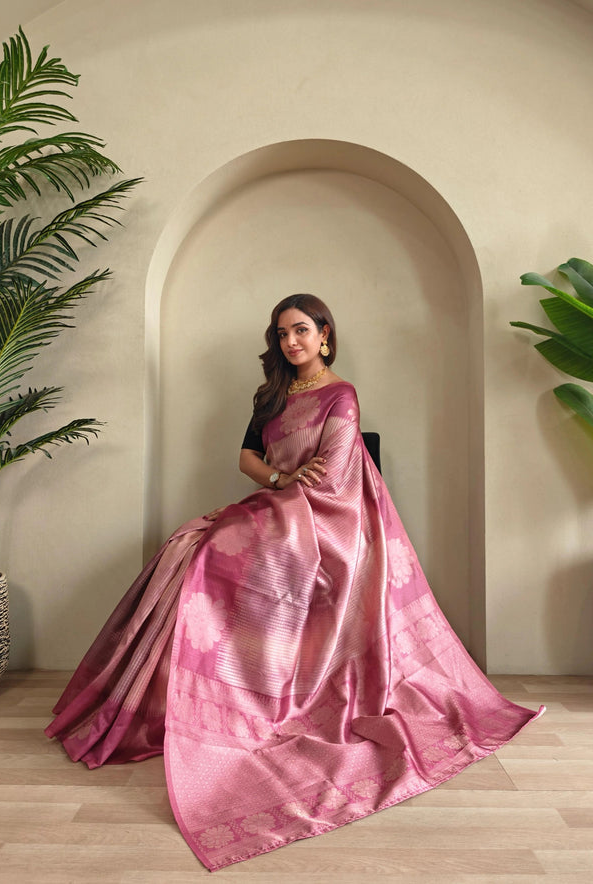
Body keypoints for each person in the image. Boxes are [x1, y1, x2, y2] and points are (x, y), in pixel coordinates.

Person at [46, 294, 543, 871]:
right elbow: (246, 457)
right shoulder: (271, 395)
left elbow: (332, 476)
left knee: (211, 552)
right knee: (189, 545)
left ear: (325, 334)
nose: (291, 342)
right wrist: (278, 477)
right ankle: (163, 704)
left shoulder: (341, 395)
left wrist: (281, 489)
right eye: (282, 333)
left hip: (333, 520)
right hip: (282, 501)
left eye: (301, 330)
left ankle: (247, 702)